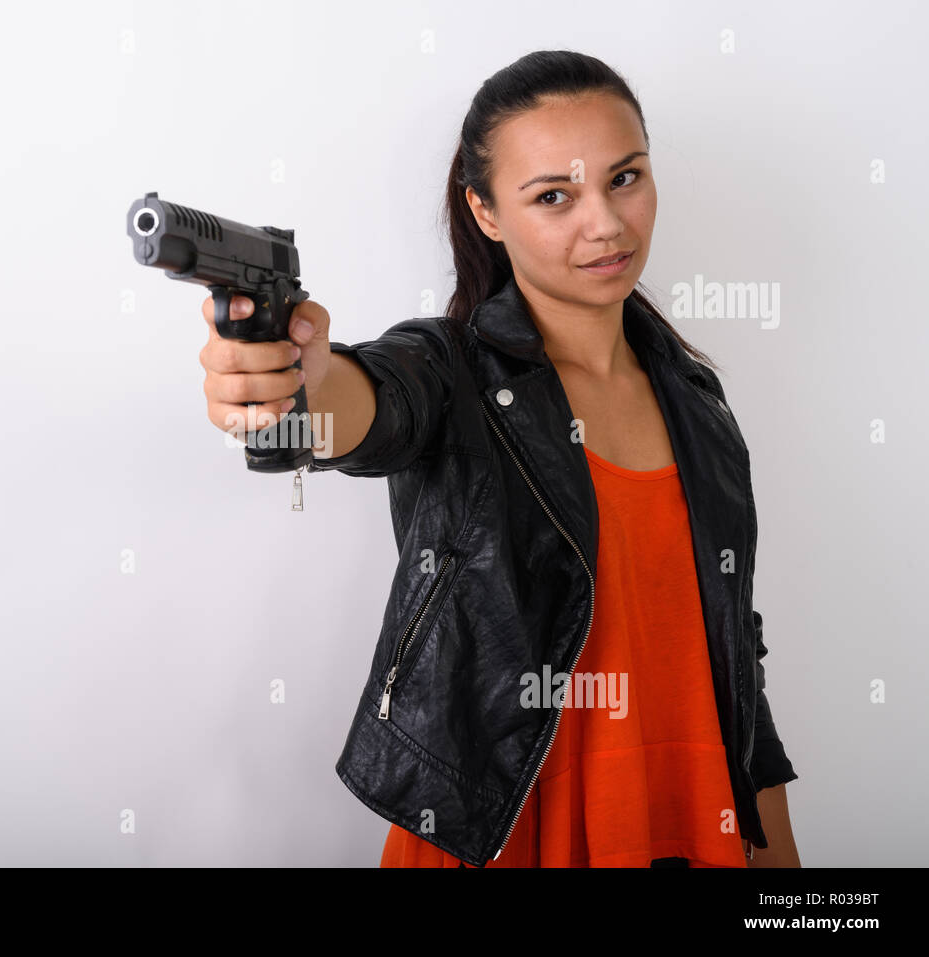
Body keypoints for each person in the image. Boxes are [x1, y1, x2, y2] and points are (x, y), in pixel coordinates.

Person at [198, 50, 800, 867]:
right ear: (485, 212)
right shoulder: (452, 375)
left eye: (625, 178)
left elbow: (736, 662)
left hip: (688, 822)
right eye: (554, 196)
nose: (606, 224)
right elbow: (370, 401)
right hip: (502, 828)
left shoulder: (701, 406)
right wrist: (295, 388)